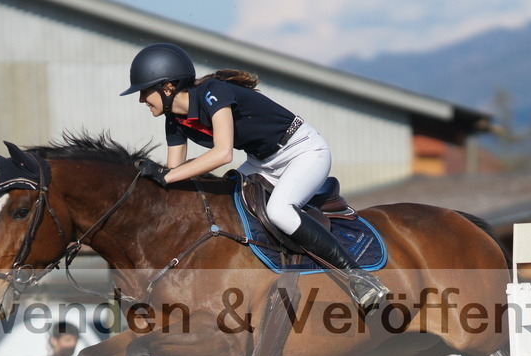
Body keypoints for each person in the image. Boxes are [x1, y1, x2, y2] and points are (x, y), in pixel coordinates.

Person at [120, 42, 390, 314]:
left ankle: (359, 278)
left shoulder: (213, 93)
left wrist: (165, 176)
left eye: (144, 91)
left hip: (302, 151)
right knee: (225, 203)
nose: (142, 100)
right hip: (262, 162)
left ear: (168, 87)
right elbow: (173, 174)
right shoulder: (174, 120)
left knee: (279, 211)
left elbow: (223, 153)